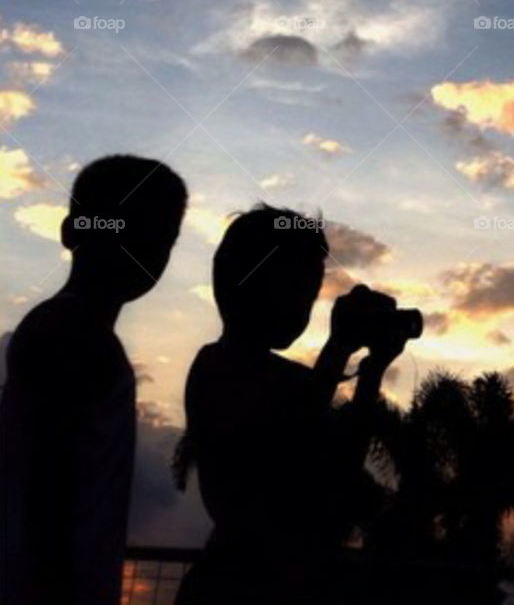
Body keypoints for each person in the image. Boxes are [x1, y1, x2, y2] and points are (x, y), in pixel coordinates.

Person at [174, 205, 417, 605]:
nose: (302, 305)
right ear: (245, 283)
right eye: (295, 287)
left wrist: (373, 370)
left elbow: (340, 465)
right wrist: (338, 349)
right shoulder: (218, 365)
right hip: (239, 585)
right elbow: (284, 447)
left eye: (310, 290)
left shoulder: (295, 379)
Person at [0, 154, 188, 605]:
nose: (145, 244)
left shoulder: (74, 333)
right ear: (72, 232)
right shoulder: (72, 335)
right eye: (126, 224)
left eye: (163, 234)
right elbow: (47, 496)